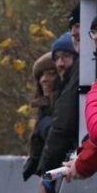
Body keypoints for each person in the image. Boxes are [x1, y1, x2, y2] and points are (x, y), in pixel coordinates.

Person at [34, 32, 81, 176]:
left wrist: (46, 125)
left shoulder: (69, 94)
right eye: (41, 75)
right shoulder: (44, 107)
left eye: (50, 74)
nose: (44, 80)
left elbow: (62, 131)